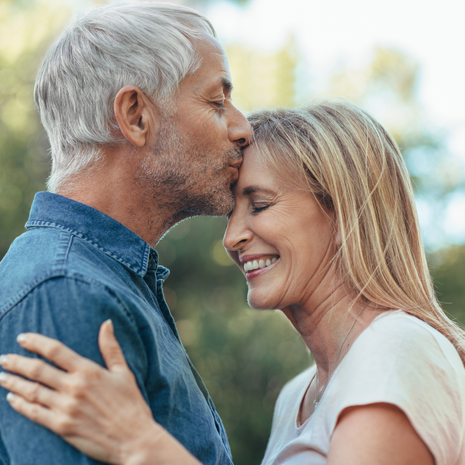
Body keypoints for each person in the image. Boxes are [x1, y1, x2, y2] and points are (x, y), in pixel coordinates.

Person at [2, 101, 465, 465]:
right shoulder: (296, 398)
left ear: (345, 213)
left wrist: (142, 445)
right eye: (231, 213)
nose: (232, 237)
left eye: (259, 205)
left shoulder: (395, 350)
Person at [0, 3, 250, 465]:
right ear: (135, 115)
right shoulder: (68, 291)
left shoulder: (105, 281)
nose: (243, 127)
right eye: (217, 101)